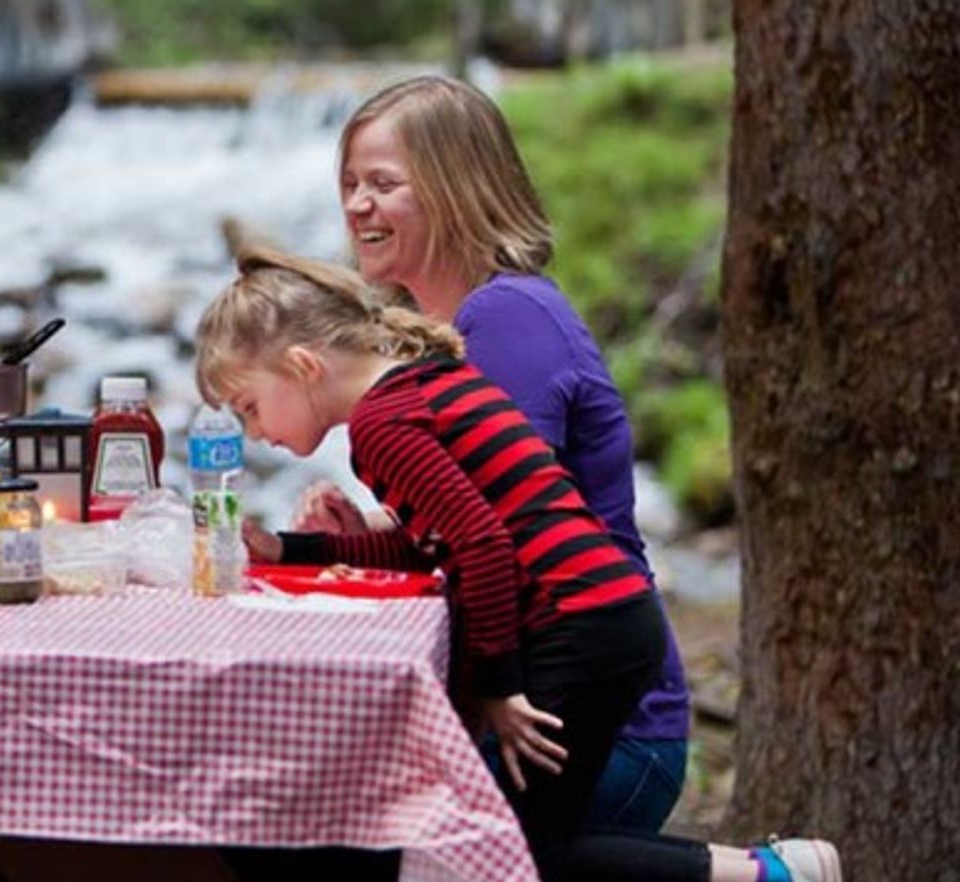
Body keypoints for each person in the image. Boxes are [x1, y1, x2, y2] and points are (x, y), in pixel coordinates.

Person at [198, 248, 842, 882]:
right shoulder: (427, 380)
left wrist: (500, 688)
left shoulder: (382, 426)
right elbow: (433, 544)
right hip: (615, 617)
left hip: (577, 630)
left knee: (490, 851)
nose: (255, 432)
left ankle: (772, 873)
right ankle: (778, 869)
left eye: (250, 407)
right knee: (523, 841)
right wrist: (293, 550)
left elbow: (481, 546)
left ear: (302, 364)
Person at [278, 73, 692, 832]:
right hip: (554, 699)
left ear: (456, 188)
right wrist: (362, 533)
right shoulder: (444, 327)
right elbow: (469, 527)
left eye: (383, 183)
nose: (356, 206)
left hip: (605, 729)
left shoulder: (507, 321)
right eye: (349, 184)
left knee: (355, 834)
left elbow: (500, 541)